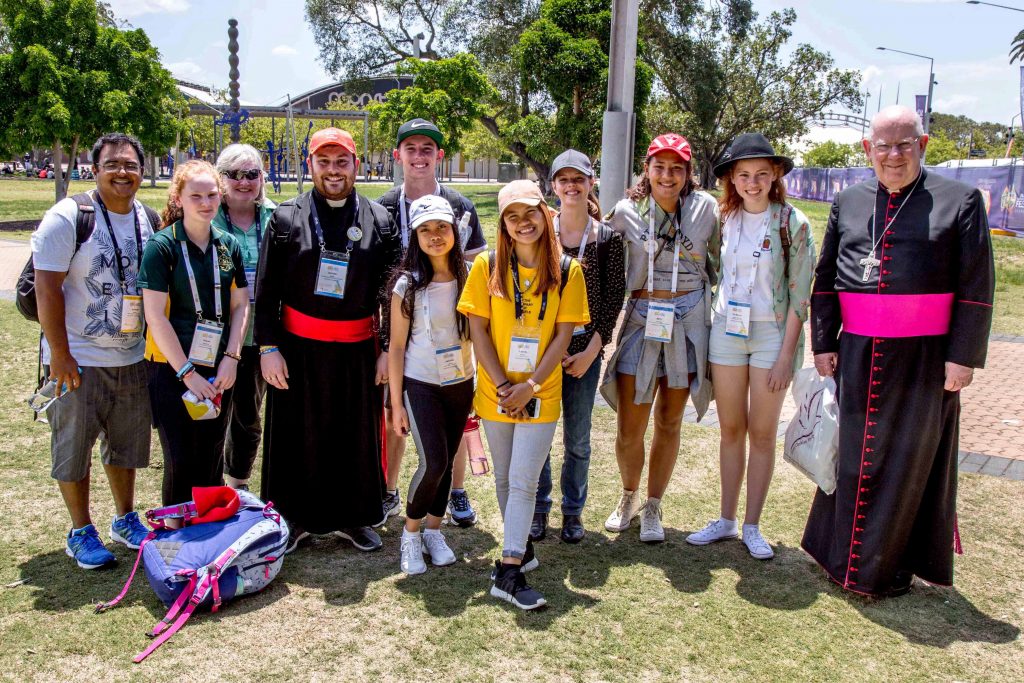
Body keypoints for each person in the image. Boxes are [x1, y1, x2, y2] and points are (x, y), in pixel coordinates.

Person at [803, 105, 995, 597]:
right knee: (851, 459)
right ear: (868, 149)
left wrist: (963, 356)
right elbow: (826, 280)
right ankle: (838, 560)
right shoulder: (849, 201)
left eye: (904, 144)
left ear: (923, 145)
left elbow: (976, 284)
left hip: (925, 360)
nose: (893, 155)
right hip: (857, 354)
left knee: (908, 460)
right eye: (883, 145)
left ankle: (885, 570)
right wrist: (824, 342)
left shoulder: (962, 200)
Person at [255, 128, 401, 554]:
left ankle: (353, 518)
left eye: (342, 162)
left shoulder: (381, 220)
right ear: (310, 165)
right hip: (297, 350)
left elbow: (392, 294)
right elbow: (265, 293)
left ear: (356, 164)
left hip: (359, 350)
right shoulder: (284, 219)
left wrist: (388, 350)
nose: (333, 171)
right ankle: (294, 518)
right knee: (299, 435)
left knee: (352, 435)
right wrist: (268, 349)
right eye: (324, 162)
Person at [458, 179, 589, 610]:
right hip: (496, 389)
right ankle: (522, 548)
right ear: (503, 225)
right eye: (512, 216)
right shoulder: (487, 267)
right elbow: (477, 329)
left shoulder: (568, 270)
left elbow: (563, 336)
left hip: (541, 390)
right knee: (503, 478)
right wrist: (502, 386)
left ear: (545, 214)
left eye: (530, 213)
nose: (522, 223)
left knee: (524, 480)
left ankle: (509, 569)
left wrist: (528, 386)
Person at [31, 133, 159, 569]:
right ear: (95, 167)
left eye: (131, 164)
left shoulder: (148, 217)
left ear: (142, 170)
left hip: (131, 356)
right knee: (74, 445)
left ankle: (125, 519)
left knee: (126, 446)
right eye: (112, 164)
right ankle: (80, 530)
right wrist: (61, 355)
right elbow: (47, 287)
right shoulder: (69, 215)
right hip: (78, 357)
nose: (122, 172)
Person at [685, 133, 814, 560]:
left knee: (761, 433)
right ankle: (724, 519)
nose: (753, 182)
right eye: (744, 175)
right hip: (727, 331)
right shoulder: (725, 218)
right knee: (730, 430)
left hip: (770, 336)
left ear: (775, 174)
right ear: (732, 180)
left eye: (761, 174)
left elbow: (800, 297)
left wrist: (784, 357)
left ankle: (752, 524)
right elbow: (716, 270)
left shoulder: (792, 223)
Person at [599, 133, 719, 543]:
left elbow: (719, 263)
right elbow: (603, 261)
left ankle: (653, 505)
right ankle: (628, 497)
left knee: (669, 420)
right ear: (646, 169)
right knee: (629, 426)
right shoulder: (626, 211)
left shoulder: (706, 210)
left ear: (688, 174)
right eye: (659, 167)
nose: (667, 176)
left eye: (677, 168)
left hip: (687, 320)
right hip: (642, 320)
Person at [377, 118, 488, 528]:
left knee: (453, 422)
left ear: (439, 155)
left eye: (428, 149)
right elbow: (377, 278)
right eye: (411, 148)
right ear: (398, 155)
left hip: (451, 333)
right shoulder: (384, 206)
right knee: (400, 415)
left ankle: (456, 492)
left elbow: (478, 266)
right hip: (402, 332)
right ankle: (389, 492)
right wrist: (386, 344)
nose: (419, 156)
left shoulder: (461, 205)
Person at [139, 160, 248, 511]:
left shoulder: (228, 244)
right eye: (196, 195)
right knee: (180, 458)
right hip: (172, 371)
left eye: (212, 194)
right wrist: (186, 373)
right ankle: (175, 538)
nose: (206, 203)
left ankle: (209, 536)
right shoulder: (162, 247)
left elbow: (240, 304)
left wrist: (231, 359)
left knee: (212, 455)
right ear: (179, 197)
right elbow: (154, 315)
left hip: (218, 371)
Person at [530, 149, 625, 544]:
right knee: (539, 434)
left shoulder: (607, 239)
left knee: (578, 438)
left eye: (579, 179)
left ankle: (573, 512)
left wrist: (591, 352)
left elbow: (613, 299)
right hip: (541, 351)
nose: (571, 186)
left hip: (584, 353)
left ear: (591, 183)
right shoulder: (538, 231)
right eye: (563, 180)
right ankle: (539, 508)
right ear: (552, 186)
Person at [388, 195, 475, 575]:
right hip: (420, 382)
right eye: (425, 229)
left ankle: (434, 531)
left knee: (446, 461)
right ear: (415, 236)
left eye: (442, 227)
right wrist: (395, 403)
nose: (435, 236)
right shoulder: (407, 285)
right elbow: (395, 347)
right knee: (434, 461)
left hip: (461, 382)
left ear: (454, 231)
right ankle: (410, 534)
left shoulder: (473, 277)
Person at [211, 144, 277, 491]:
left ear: (261, 178)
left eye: (251, 174)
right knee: (211, 414)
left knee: (248, 418)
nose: (243, 182)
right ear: (220, 179)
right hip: (214, 337)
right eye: (234, 174)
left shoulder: (276, 216)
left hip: (261, 337)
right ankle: (207, 487)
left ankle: (238, 485)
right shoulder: (205, 216)